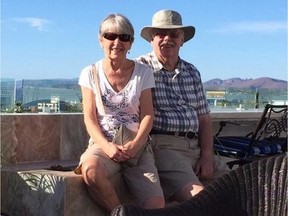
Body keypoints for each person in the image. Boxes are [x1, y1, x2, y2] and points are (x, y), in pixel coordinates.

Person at [136, 9, 230, 202]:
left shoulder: (191, 71)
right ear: (151, 39)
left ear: (182, 40)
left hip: (195, 146)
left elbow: (203, 118)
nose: (167, 39)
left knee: (240, 188)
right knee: (199, 199)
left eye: (174, 34)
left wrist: (206, 156)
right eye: (160, 34)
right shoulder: (141, 69)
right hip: (163, 146)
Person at [74, 13, 165, 212]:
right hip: (103, 144)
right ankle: (119, 212)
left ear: (131, 43)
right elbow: (89, 118)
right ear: (101, 40)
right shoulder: (90, 73)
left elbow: (148, 114)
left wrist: (136, 144)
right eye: (110, 36)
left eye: (124, 37)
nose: (117, 42)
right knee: (91, 170)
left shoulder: (143, 72)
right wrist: (107, 147)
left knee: (156, 205)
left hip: (136, 146)